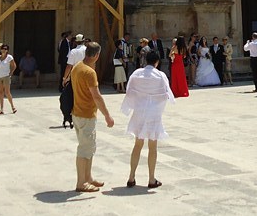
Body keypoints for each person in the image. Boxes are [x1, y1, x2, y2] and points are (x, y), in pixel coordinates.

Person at [122, 49, 174, 189]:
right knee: (152, 147)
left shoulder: (137, 74)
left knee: (137, 145)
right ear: (157, 62)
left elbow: (129, 91)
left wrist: (138, 101)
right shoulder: (160, 75)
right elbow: (166, 94)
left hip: (139, 112)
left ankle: (131, 177)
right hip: (153, 115)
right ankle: (151, 179)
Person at [70, 41, 114, 192]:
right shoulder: (89, 72)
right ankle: (81, 183)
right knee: (84, 148)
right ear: (96, 55)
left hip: (78, 112)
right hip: (86, 114)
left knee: (89, 147)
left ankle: (88, 177)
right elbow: (97, 96)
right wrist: (107, 115)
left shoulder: (77, 67)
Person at [60, 34, 87, 128]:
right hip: (86, 75)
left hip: (75, 76)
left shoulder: (73, 52)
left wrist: (65, 78)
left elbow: (69, 66)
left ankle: (75, 117)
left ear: (75, 42)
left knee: (73, 97)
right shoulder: (87, 50)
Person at [0, 44, 17, 113]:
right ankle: (1, 109)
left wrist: (10, 73)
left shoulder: (9, 57)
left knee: (7, 92)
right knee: (0, 92)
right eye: (2, 49)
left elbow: (14, 66)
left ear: (7, 50)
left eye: (5, 49)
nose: (4, 50)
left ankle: (13, 107)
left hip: (6, 76)